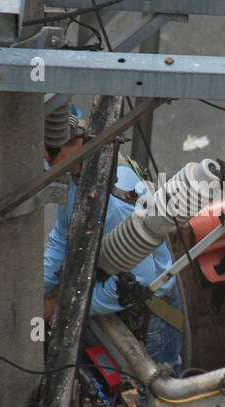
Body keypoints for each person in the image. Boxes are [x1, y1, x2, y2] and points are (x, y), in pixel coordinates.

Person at [43, 118, 182, 372]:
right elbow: (62, 235)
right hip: (112, 288)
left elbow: (141, 280)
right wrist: (39, 287)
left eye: (51, 150)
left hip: (149, 316)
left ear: (78, 144)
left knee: (157, 394)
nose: (43, 156)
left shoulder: (115, 204)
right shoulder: (72, 176)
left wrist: (67, 306)